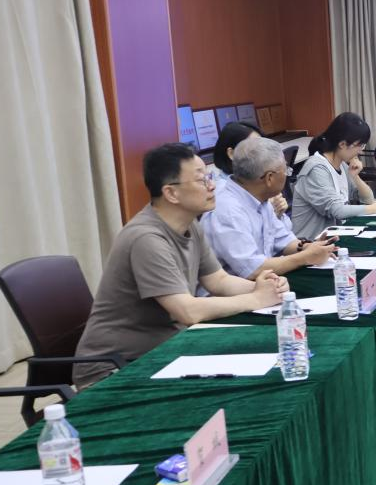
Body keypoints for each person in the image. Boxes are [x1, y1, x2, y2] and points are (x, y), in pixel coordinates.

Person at [73, 143, 288, 388]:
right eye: (201, 180)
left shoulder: (190, 225)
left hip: (165, 350)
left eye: (209, 177)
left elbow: (218, 280)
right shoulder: (146, 238)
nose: (212, 185)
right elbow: (187, 311)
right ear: (171, 193)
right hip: (115, 368)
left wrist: (266, 287)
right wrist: (256, 299)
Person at [202, 137, 338, 278]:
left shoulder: (259, 197)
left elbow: (283, 240)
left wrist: (308, 247)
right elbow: (252, 269)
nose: (287, 174)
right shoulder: (228, 210)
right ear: (269, 178)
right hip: (237, 289)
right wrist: (305, 257)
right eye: (286, 170)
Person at [291, 112, 376, 239]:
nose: (361, 150)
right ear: (342, 144)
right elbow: (338, 211)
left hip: (333, 238)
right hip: (310, 243)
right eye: (360, 145)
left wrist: (355, 176)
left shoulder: (340, 164)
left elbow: (368, 200)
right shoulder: (316, 169)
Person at [212, 122, 290, 218]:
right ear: (232, 154)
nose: (263, 153)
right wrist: (270, 212)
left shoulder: (259, 180)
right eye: (255, 149)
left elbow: (284, 226)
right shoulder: (224, 199)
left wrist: (278, 215)